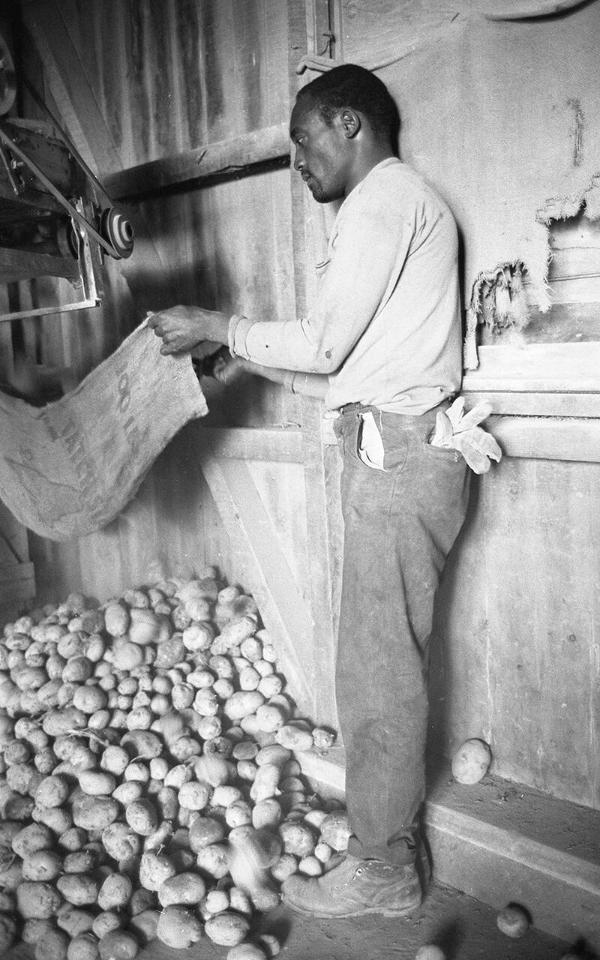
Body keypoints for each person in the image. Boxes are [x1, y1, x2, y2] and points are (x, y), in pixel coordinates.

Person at [148, 64, 470, 918]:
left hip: (400, 463)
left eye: (302, 140)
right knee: (377, 664)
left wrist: (219, 323)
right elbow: (350, 372)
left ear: (348, 122)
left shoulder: (385, 201)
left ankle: (385, 871)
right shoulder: (397, 209)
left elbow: (326, 345)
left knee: (377, 673)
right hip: (396, 451)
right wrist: (240, 356)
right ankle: (385, 849)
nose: (296, 160)